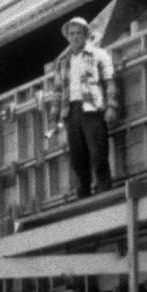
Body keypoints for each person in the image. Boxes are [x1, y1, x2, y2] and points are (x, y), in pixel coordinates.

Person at [46, 15, 117, 199]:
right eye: (72, 33)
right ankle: (83, 197)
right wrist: (53, 120)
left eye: (79, 33)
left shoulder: (99, 55)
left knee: (99, 155)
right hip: (70, 113)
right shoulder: (62, 62)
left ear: (86, 34)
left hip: (92, 110)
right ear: (67, 37)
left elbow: (110, 82)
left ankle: (104, 194)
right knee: (78, 160)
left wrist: (111, 106)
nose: (75, 37)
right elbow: (58, 92)